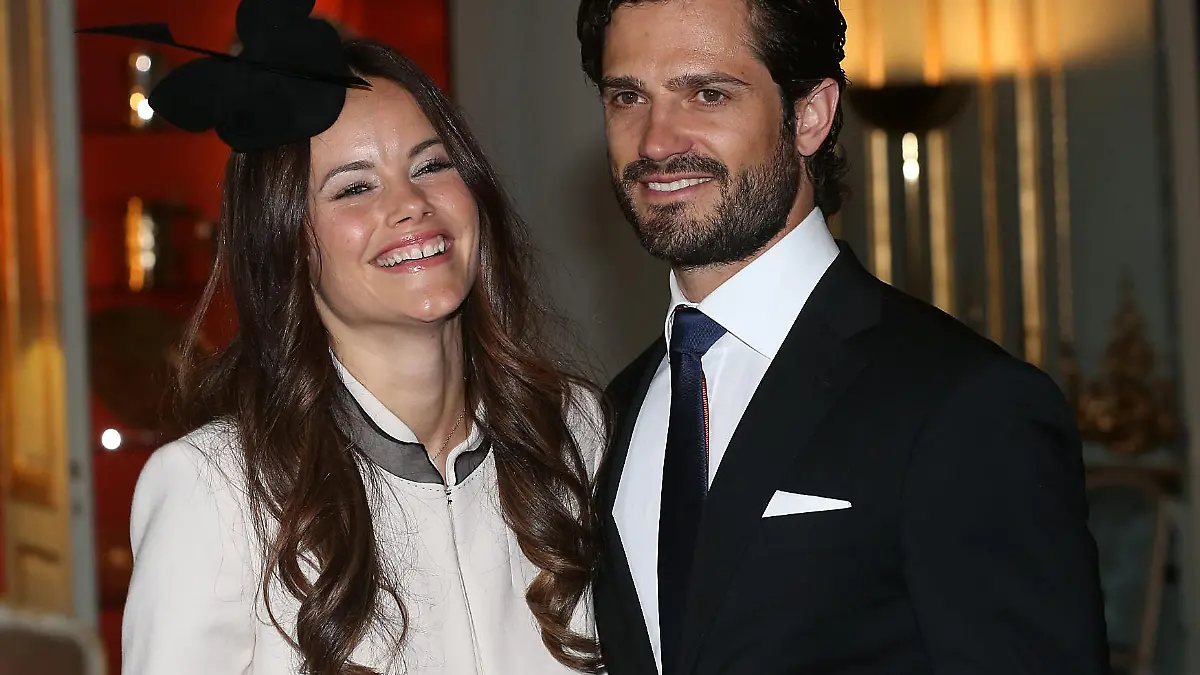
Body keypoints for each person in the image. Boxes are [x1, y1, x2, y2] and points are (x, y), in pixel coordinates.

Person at [575, 0, 1110, 673]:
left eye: (707, 93)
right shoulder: (610, 415)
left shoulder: (965, 403)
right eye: (628, 96)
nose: (655, 141)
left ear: (810, 115)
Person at [86, 3, 605, 674]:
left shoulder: (570, 432)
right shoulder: (215, 490)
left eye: (430, 166)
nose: (409, 204)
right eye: (354, 186)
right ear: (289, 243)